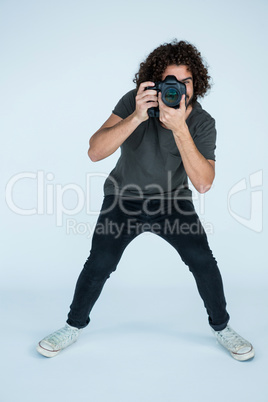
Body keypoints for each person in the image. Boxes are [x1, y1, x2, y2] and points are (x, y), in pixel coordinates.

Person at [37, 40, 254, 361]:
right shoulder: (133, 103)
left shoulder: (202, 122)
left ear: (196, 84)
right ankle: (73, 325)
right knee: (99, 264)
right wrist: (138, 116)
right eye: (171, 82)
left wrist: (180, 128)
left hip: (173, 203)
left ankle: (222, 327)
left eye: (186, 82)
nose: (178, 89)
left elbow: (204, 183)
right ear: (155, 82)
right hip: (123, 198)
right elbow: (95, 152)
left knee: (203, 262)